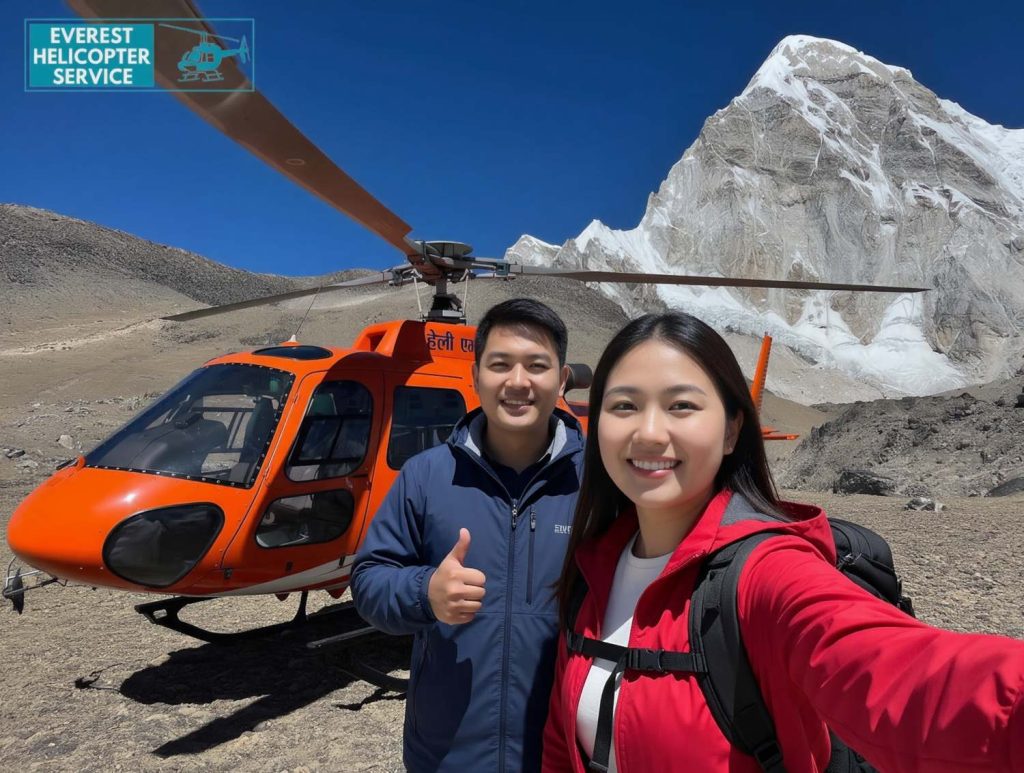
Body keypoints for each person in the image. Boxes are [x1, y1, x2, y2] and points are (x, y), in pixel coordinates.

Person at [543, 312, 1024, 773]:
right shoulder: (593, 569)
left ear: (732, 430)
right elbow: (562, 746)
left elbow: (903, 676)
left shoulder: (766, 570)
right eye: (624, 405)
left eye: (681, 406)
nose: (648, 432)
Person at [351, 298, 586, 772]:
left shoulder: (598, 484)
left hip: (560, 750)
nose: (517, 382)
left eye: (537, 366)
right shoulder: (424, 475)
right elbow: (369, 579)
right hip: (446, 752)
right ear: (476, 375)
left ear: (561, 381)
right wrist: (424, 593)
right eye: (500, 365)